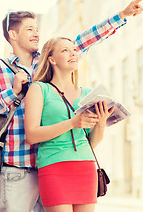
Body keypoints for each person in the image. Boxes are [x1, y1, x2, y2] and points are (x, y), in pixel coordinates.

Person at [0, 0, 143, 212]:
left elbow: (86, 39)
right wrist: (12, 92)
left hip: (53, 162)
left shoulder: (46, 61)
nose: (36, 33)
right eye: (29, 29)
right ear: (13, 35)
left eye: (36, 28)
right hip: (20, 165)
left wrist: (123, 15)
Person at [24, 36, 113, 212]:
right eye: (65, 50)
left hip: (85, 167)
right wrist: (72, 123)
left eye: (74, 50)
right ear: (51, 59)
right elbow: (32, 135)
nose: (73, 53)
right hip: (54, 167)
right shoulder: (39, 89)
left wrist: (101, 122)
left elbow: (91, 143)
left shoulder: (88, 94)